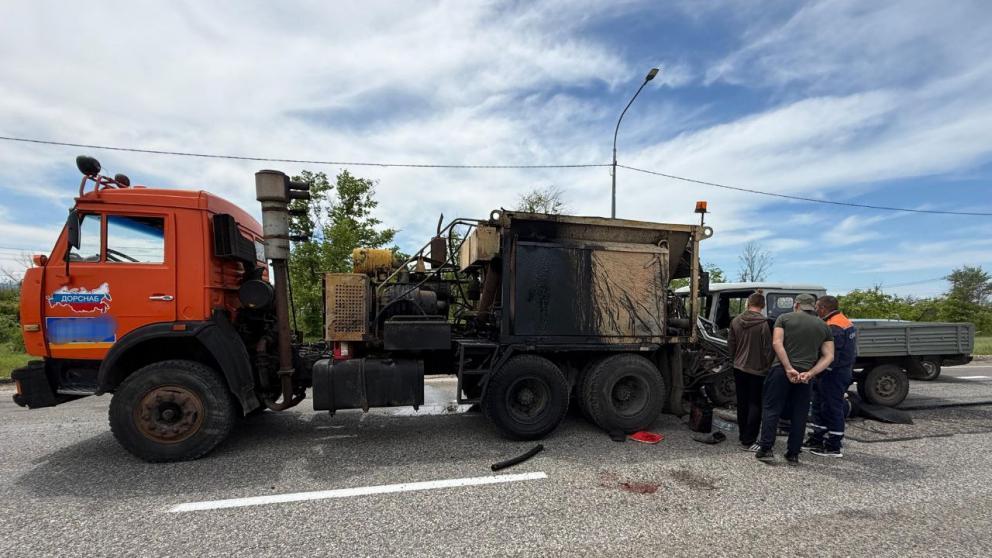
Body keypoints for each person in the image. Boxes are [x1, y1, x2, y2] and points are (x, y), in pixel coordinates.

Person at [756, 293, 834, 465]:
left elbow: (777, 343)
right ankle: (793, 454)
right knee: (799, 414)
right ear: (812, 307)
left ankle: (766, 449)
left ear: (796, 305)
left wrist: (788, 367)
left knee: (772, 409)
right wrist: (811, 373)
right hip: (805, 375)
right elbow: (829, 356)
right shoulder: (823, 326)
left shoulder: (784, 318)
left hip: (781, 371)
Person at [804, 295, 857, 458]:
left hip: (833, 373)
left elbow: (831, 354)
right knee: (820, 404)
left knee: (832, 406)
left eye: (817, 307)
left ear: (824, 308)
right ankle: (817, 437)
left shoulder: (834, 326)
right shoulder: (842, 321)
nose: (816, 310)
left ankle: (834, 444)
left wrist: (818, 369)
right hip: (835, 371)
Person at [726, 292, 773, 451]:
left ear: (748, 303)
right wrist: (768, 367)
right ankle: (749, 439)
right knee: (755, 404)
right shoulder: (763, 324)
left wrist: (734, 359)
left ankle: (741, 435)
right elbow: (767, 349)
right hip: (758, 370)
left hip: (739, 367)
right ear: (763, 305)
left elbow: (731, 344)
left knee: (742, 402)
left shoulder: (736, 320)